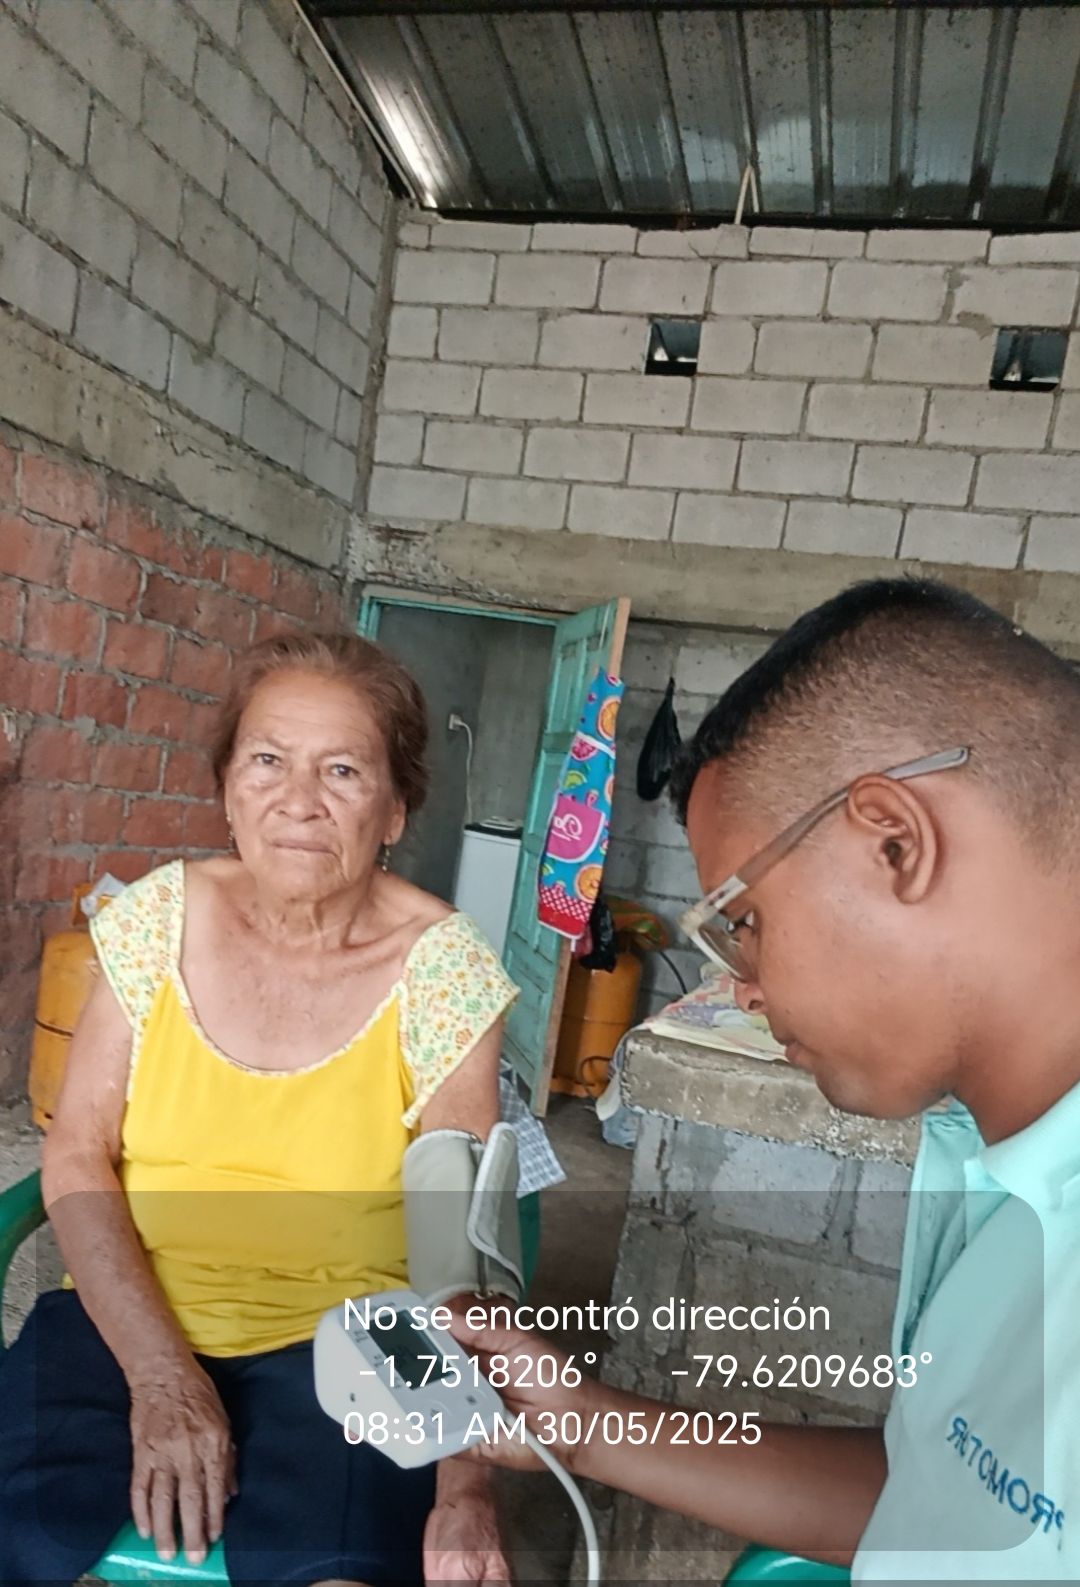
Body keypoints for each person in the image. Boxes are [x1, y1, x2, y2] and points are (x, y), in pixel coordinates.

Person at [452, 577, 1080, 1581]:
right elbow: (936, 1497)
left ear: (895, 842)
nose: (742, 988)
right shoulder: (991, 1160)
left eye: (743, 924)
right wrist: (583, 1425)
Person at [0, 631, 520, 1587]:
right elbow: (78, 1152)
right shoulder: (155, 919)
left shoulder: (442, 966)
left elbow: (464, 1246)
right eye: (269, 760)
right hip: (127, 1316)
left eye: (343, 770)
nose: (299, 799)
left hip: (361, 1336)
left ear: (396, 809)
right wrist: (162, 1375)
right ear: (228, 789)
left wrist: (466, 1484)